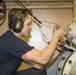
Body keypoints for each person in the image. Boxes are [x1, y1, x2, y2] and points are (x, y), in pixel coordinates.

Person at [0, 8, 66, 75]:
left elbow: (39, 65)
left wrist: (58, 48)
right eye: (28, 24)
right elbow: (43, 59)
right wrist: (56, 36)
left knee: (39, 72)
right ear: (18, 24)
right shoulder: (11, 41)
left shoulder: (12, 40)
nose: (31, 27)